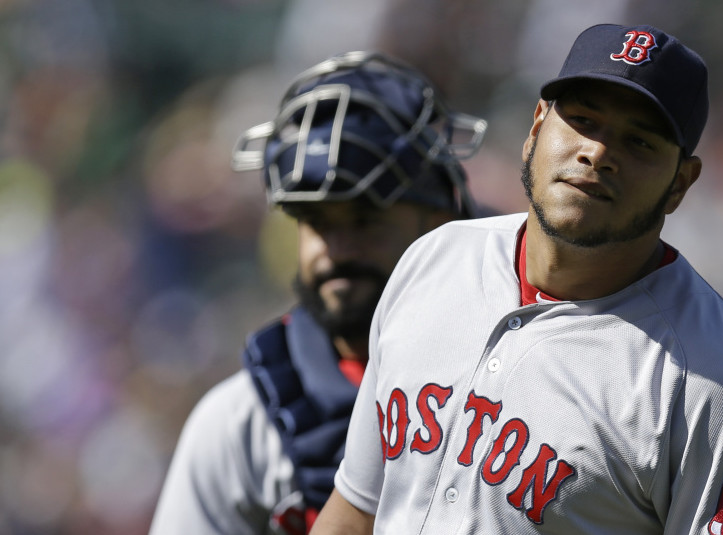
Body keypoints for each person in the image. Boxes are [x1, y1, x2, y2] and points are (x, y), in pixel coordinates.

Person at [311, 24, 723, 535]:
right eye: (583, 120)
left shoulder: (721, 388)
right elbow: (357, 509)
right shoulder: (435, 260)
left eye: (638, 141)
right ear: (537, 127)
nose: (598, 153)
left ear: (681, 182)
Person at [148, 51, 487, 535]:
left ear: (441, 223)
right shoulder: (242, 421)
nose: (336, 250)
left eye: (365, 219)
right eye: (317, 222)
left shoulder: (514, 380)